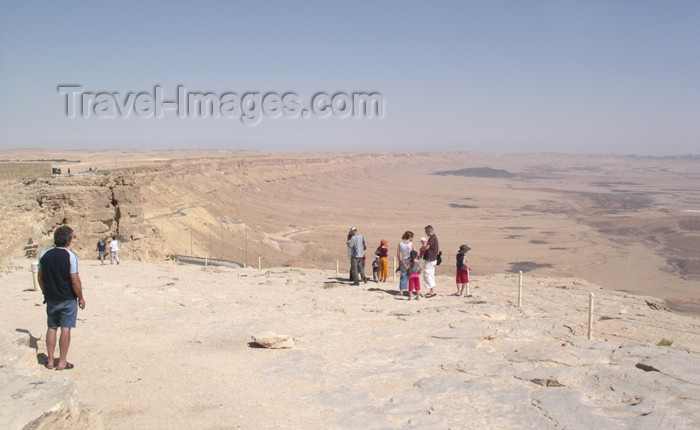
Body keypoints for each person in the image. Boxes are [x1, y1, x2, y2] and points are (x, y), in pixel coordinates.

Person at [37, 226, 86, 370]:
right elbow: (75, 280)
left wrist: (45, 292)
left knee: (52, 327)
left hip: (51, 297)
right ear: (68, 240)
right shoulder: (70, 256)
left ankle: (50, 360)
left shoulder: (44, 254)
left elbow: (40, 277)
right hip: (67, 298)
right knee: (66, 328)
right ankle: (62, 362)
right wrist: (81, 297)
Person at [421, 225, 439, 297]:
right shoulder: (433, 237)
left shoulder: (432, 238)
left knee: (428, 274)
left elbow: (427, 247)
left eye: (426, 231)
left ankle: (432, 291)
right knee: (430, 274)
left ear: (429, 231)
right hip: (432, 258)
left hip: (430, 259)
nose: (426, 233)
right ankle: (432, 290)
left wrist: (422, 249)